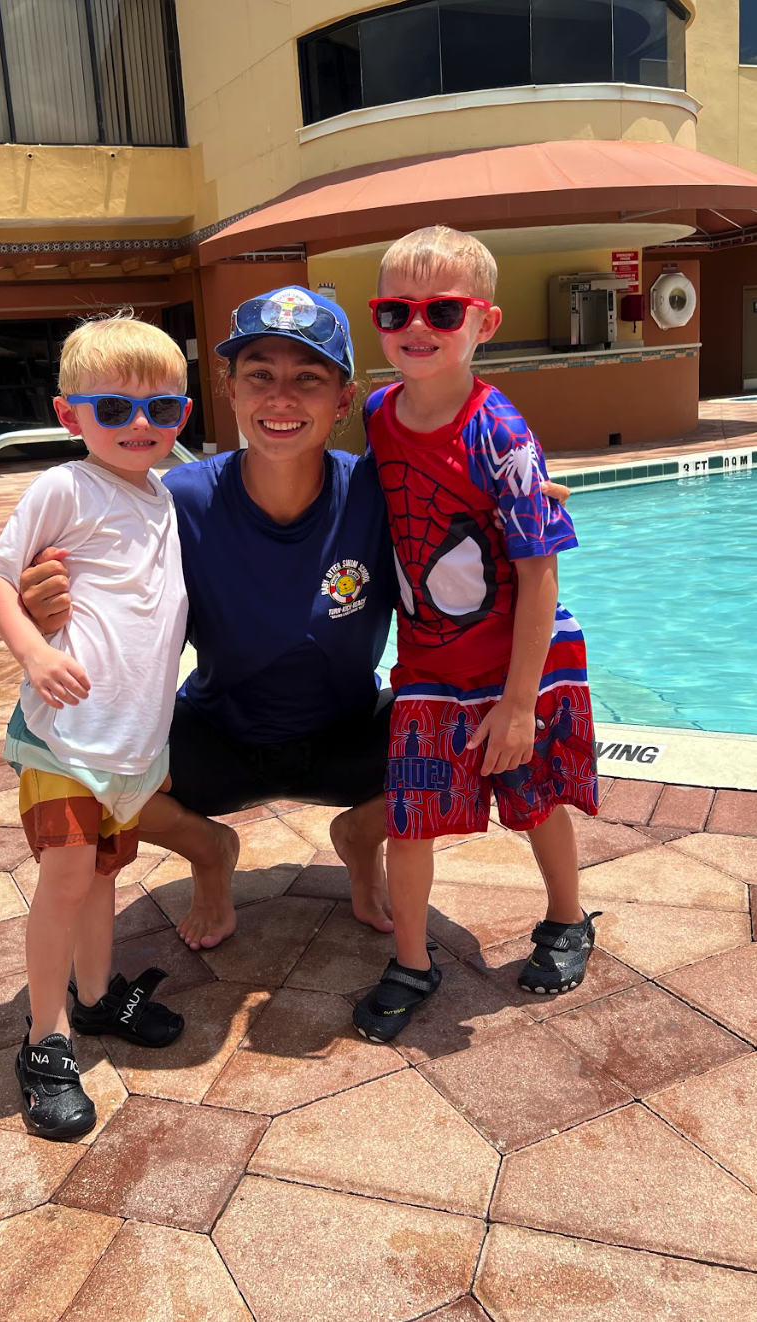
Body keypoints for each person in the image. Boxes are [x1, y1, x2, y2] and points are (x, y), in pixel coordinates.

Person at [18, 285, 571, 957]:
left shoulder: (379, 494)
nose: (281, 398)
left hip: (348, 736)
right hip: (218, 739)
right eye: (260, 376)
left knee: (471, 734)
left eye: (308, 379)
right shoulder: (177, 502)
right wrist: (41, 597)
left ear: (343, 401)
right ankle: (209, 850)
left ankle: (360, 840)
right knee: (84, 768)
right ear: (229, 389)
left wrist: (515, 499)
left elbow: (469, 536)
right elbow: (94, 574)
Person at [352, 226, 600, 1045]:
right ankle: (413, 961)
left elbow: (539, 575)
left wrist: (521, 703)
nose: (416, 327)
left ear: (484, 323)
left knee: (532, 802)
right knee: (410, 818)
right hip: (429, 660)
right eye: (396, 310)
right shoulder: (378, 414)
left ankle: (567, 919)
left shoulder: (502, 435)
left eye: (443, 311)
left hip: (518, 662)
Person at [0, 311, 189, 1140]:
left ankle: (97, 998)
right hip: (67, 734)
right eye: (115, 409)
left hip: (129, 740)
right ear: (71, 416)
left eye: (163, 410)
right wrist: (33, 652)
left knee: (102, 876)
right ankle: (44, 1039)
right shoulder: (65, 486)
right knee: (67, 878)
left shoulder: (164, 495)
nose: (141, 426)